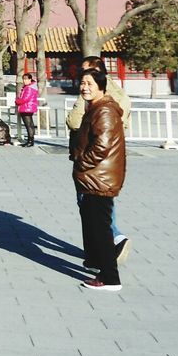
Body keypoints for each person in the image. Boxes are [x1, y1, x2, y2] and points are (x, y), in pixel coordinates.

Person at [66, 56, 132, 261]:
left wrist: (82, 164)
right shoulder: (119, 94)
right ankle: (97, 253)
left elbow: (74, 121)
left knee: (94, 210)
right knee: (98, 208)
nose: (82, 81)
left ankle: (113, 244)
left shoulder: (101, 100)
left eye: (85, 74)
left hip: (96, 165)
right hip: (109, 162)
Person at [16, 72, 39, 147]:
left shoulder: (29, 88)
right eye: (23, 79)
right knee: (30, 125)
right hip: (28, 107)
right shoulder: (31, 87)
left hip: (26, 108)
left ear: (30, 79)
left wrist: (17, 101)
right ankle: (30, 140)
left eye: (26, 79)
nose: (24, 81)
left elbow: (25, 99)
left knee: (28, 125)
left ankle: (30, 141)